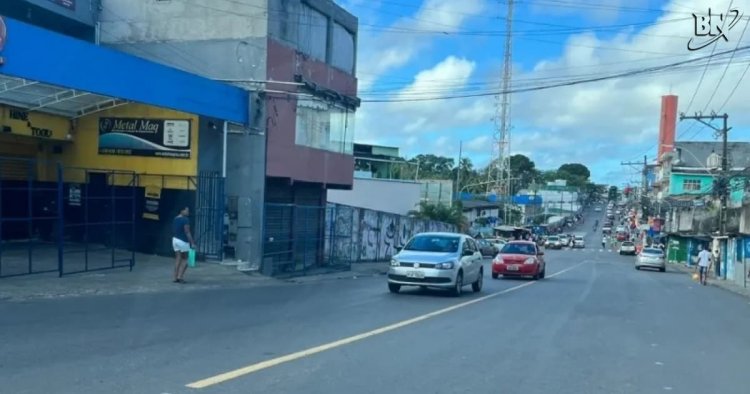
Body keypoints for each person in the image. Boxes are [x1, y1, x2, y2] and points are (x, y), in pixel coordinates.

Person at [172, 206, 196, 283]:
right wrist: (192, 243)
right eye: (186, 211)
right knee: (185, 259)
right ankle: (180, 277)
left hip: (175, 240)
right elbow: (187, 232)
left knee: (178, 258)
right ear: (181, 211)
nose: (188, 212)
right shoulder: (185, 220)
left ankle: (175, 277)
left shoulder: (175, 219)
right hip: (183, 241)